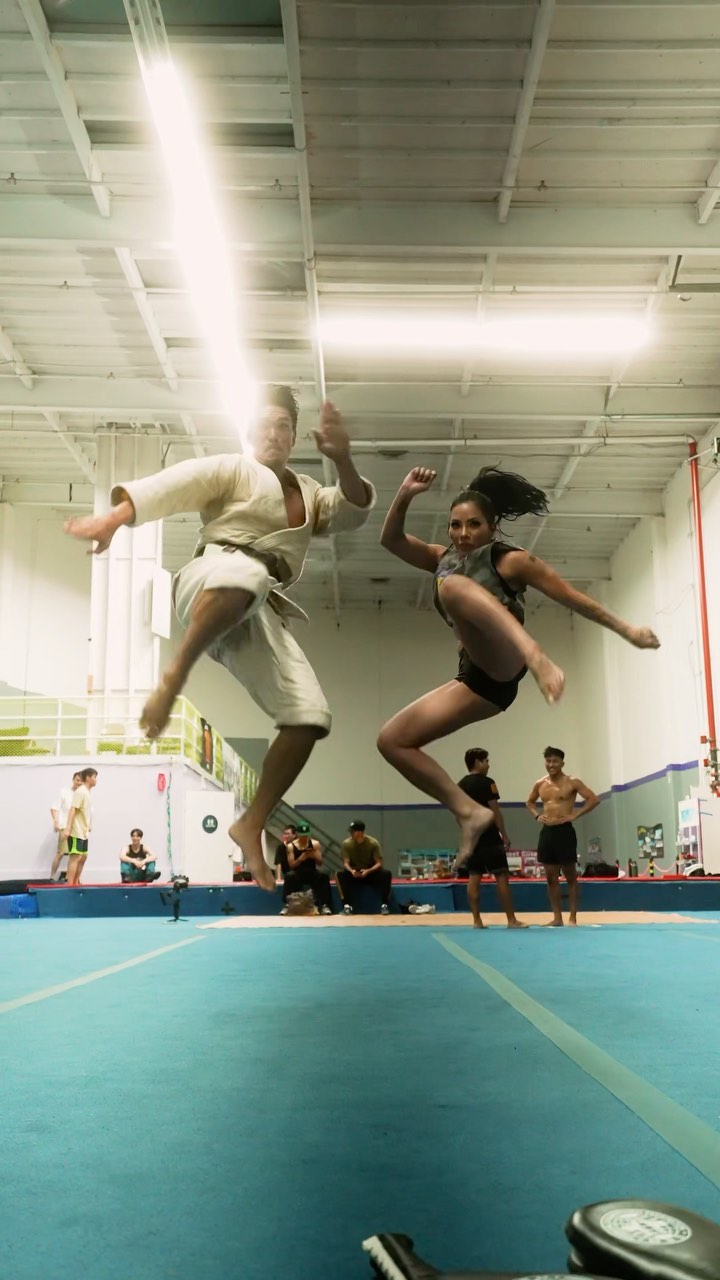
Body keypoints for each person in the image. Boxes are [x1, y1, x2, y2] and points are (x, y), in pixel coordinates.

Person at [64, 389, 374, 892]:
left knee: (310, 715)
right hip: (210, 578)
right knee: (246, 573)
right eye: (265, 424)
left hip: (257, 606)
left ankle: (250, 822)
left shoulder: (310, 491)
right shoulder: (233, 468)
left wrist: (342, 458)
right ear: (249, 430)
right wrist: (112, 519)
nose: (273, 433)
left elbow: (354, 509)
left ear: (295, 436)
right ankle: (174, 676)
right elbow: (174, 485)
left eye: (283, 426)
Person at [376, 465, 659, 868]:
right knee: (392, 740)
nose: (463, 534)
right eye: (455, 525)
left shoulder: (510, 561)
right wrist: (405, 492)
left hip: (507, 661)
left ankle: (536, 653)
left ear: (492, 527)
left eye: (474, 525)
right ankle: (468, 813)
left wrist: (628, 630)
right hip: (475, 678)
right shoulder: (442, 558)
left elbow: (574, 598)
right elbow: (391, 540)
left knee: (452, 588)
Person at [526, 746, 599, 926]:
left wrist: (576, 814)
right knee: (551, 877)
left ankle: (572, 917)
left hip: (565, 831)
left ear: (562, 763)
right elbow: (529, 802)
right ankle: (557, 918)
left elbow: (593, 799)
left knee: (570, 876)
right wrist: (536, 815)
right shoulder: (540, 784)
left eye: (555, 761)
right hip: (547, 831)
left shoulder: (572, 782)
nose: (551, 765)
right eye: (548, 761)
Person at [457, 747, 526, 929]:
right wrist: (504, 834)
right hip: (489, 836)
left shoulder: (460, 786)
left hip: (472, 836)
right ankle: (511, 920)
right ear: (478, 762)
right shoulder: (488, 783)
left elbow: (458, 814)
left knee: (474, 876)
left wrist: (467, 832)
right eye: (486, 761)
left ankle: (476, 921)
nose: (488, 765)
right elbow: (494, 809)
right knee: (501, 875)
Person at [337, 821, 392, 915]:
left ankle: (384, 905)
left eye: (353, 831)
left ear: (360, 832)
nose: (351, 833)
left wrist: (368, 871)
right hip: (354, 873)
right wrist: (351, 871)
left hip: (370, 873)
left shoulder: (373, 843)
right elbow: (346, 863)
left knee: (386, 874)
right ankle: (347, 906)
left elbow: (379, 863)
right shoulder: (346, 843)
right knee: (340, 874)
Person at [282, 822, 333, 915]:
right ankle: (287, 905)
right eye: (302, 835)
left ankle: (325, 905)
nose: (304, 837)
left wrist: (314, 856)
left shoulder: (315, 844)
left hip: (311, 871)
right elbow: (291, 866)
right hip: (298, 872)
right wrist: (300, 859)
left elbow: (320, 863)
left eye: (306, 835)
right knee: (289, 876)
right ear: (297, 834)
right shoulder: (291, 846)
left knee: (324, 875)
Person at [62, 767, 98, 886]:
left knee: (83, 857)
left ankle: (76, 882)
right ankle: (70, 884)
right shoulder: (81, 791)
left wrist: (89, 825)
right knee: (75, 857)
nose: (96, 780)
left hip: (84, 831)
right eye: (94, 777)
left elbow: (86, 811)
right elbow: (73, 810)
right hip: (76, 831)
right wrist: (68, 829)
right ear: (88, 778)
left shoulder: (87, 792)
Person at [49, 771, 82, 881]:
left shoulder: (82, 795)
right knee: (61, 852)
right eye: (77, 780)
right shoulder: (64, 792)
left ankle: (69, 878)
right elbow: (54, 808)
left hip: (77, 828)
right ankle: (52, 877)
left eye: (81, 781)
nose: (79, 782)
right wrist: (56, 821)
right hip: (64, 826)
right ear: (73, 780)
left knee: (75, 855)